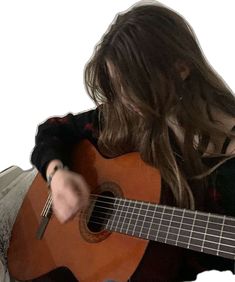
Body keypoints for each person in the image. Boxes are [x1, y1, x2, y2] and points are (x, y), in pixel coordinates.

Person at [30, 1, 235, 281]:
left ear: (182, 68)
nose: (125, 101)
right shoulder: (134, 114)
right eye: (119, 88)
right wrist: (57, 174)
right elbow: (54, 130)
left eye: (133, 86)